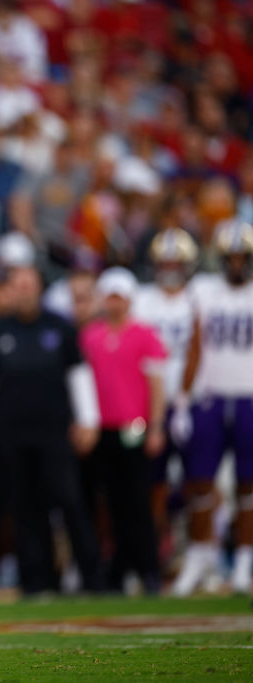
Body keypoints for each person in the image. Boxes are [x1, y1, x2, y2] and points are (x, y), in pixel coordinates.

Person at [0, 263, 102, 594]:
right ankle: (35, 580)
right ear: (9, 290)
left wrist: (89, 420)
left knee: (69, 502)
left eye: (29, 283)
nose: (23, 289)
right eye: (17, 284)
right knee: (24, 509)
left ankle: (93, 579)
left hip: (54, 433)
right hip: (10, 435)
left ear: (39, 288)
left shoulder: (60, 328)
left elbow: (78, 376)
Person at [172, 220, 253, 595]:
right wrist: (183, 400)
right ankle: (199, 557)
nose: (236, 264)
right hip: (211, 395)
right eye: (230, 257)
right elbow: (195, 347)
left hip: (249, 394)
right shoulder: (204, 290)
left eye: (242, 257)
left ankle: (242, 562)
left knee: (247, 485)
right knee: (199, 482)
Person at [80, 268, 167, 594]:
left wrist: (156, 426)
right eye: (110, 295)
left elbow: (156, 384)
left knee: (138, 502)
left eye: (119, 296)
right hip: (101, 428)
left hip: (134, 426)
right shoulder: (90, 335)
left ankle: (148, 569)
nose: (114, 302)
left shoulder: (143, 334)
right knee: (110, 504)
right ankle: (117, 571)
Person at [132, 229, 199, 563]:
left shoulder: (198, 297)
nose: (170, 267)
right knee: (150, 485)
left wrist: (187, 399)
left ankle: (200, 552)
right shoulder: (143, 300)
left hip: (193, 403)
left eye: (176, 261)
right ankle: (153, 552)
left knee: (200, 481)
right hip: (147, 406)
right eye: (165, 261)